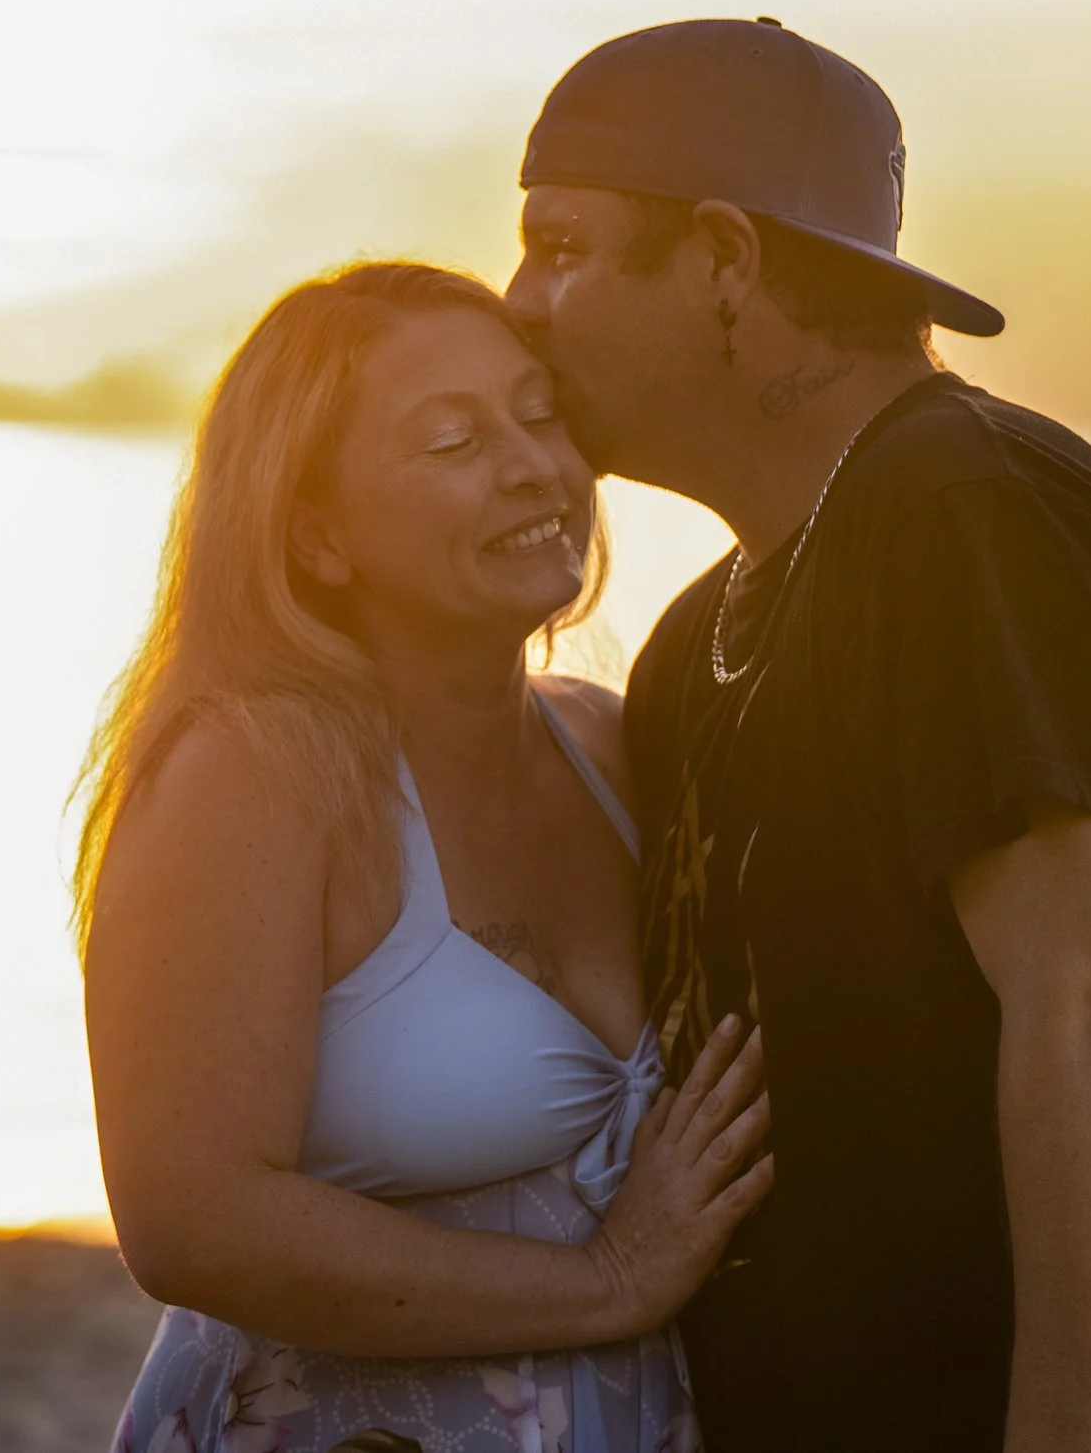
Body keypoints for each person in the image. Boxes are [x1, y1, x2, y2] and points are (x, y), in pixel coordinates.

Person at [504, 17, 1091, 1452]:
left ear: (723, 259)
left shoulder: (968, 512)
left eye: (561, 247)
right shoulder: (695, 647)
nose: (518, 301)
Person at [79, 262, 772, 1452]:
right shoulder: (252, 775)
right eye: (453, 440)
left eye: (539, 413)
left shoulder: (613, 746)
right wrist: (610, 1278)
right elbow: (191, 1221)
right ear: (317, 534)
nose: (533, 465)